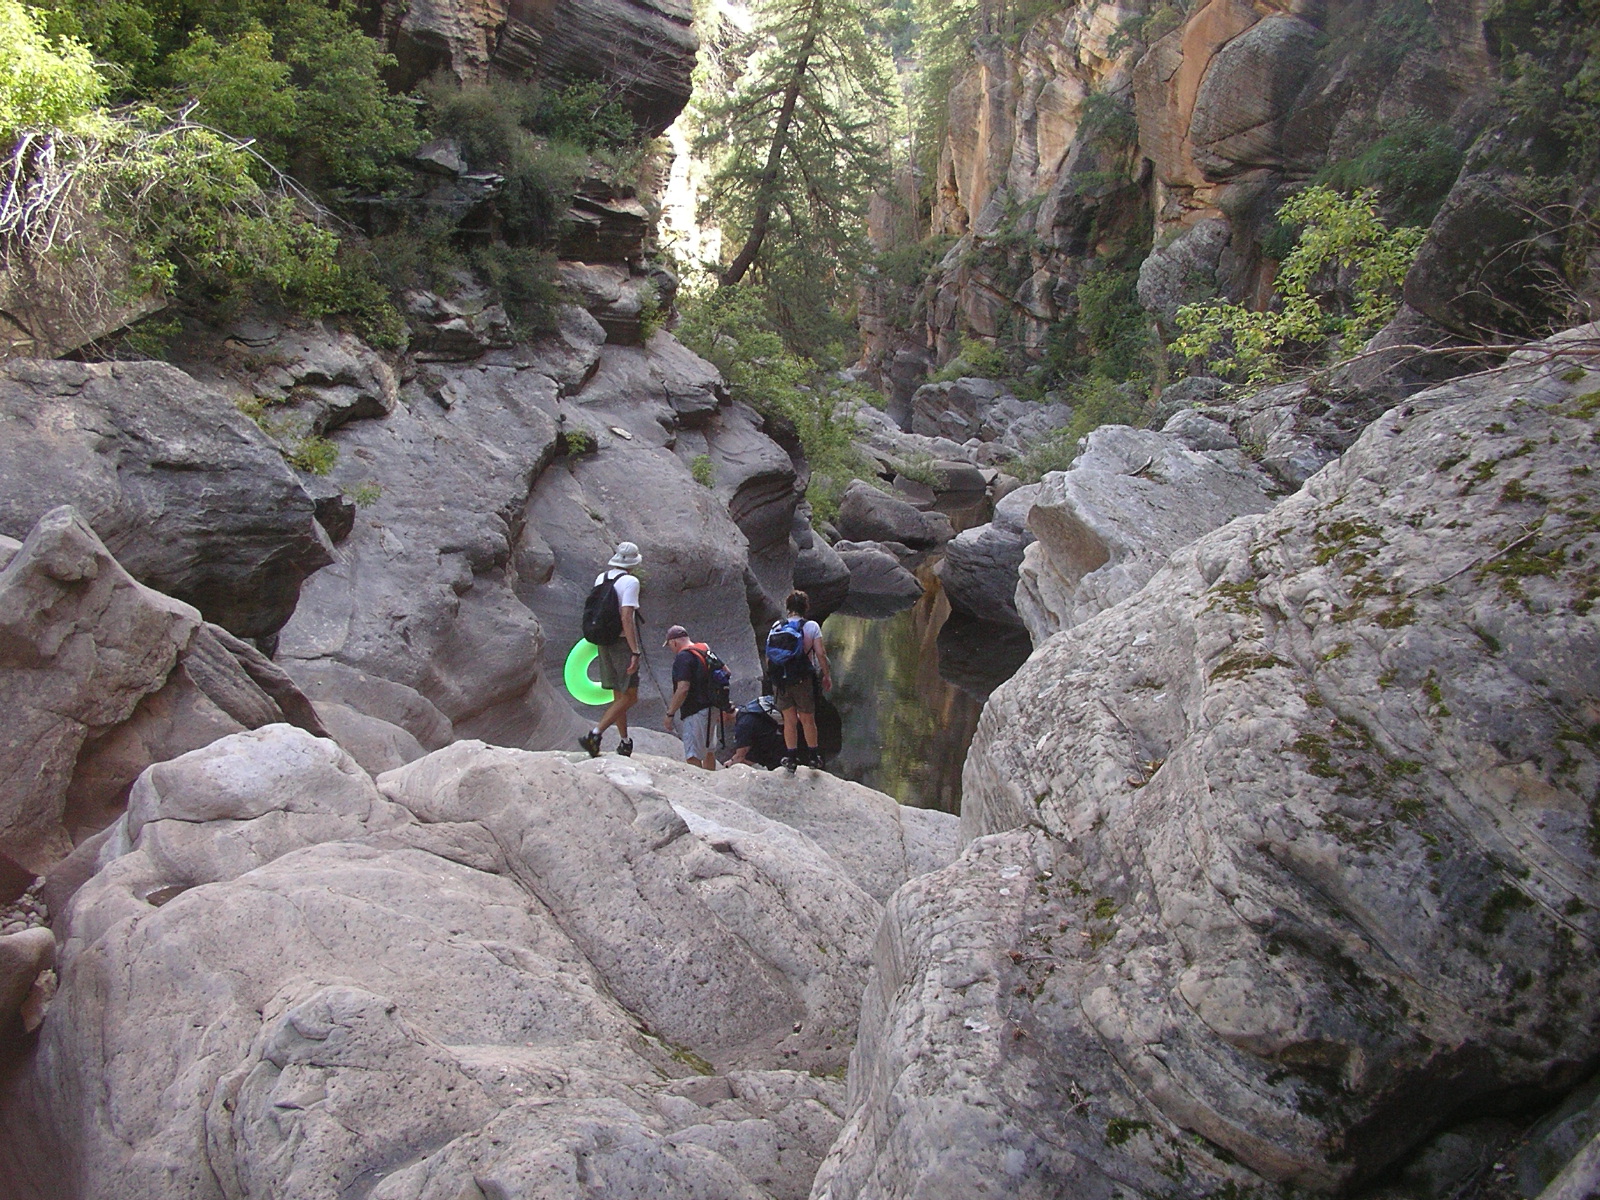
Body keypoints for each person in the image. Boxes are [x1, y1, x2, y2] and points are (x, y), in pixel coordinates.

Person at [580, 541, 643, 757]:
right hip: (621, 643)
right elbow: (626, 617)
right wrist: (634, 651)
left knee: (619, 694)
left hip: (604, 641)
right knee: (630, 696)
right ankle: (594, 735)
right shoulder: (631, 582)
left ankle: (624, 742)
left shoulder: (602, 578)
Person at [767, 589, 831, 771]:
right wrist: (826, 675)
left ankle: (791, 758)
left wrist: (774, 677)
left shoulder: (777, 626)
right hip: (802, 679)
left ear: (788, 607)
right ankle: (813, 757)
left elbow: (769, 655)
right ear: (806, 607)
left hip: (781, 681)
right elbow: (820, 653)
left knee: (789, 720)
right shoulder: (811, 627)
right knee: (807, 719)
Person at [662, 624, 716, 770]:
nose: (671, 649)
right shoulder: (704, 649)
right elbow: (725, 671)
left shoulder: (683, 657)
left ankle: (700, 783)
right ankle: (712, 780)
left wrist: (670, 714)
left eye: (669, 645)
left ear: (674, 642)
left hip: (695, 710)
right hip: (712, 707)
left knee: (693, 755)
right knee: (709, 750)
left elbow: (683, 688)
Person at [727, 695, 787, 769]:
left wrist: (730, 765)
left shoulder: (743, 725)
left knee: (748, 756)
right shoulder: (747, 709)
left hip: (775, 750)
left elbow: (740, 757)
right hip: (781, 737)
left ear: (724, 713)